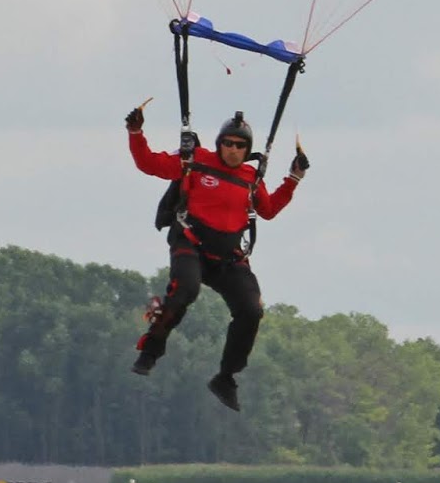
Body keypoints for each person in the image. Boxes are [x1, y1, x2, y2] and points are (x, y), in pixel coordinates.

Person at [126, 105, 308, 410]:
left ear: (247, 149)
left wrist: (294, 177)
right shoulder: (195, 161)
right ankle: (151, 350)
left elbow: (269, 210)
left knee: (251, 310)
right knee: (186, 289)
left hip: (228, 258)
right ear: (219, 143)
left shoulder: (251, 177)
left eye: (240, 146)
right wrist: (136, 133)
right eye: (228, 143)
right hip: (191, 243)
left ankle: (225, 377)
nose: (233, 151)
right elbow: (149, 163)